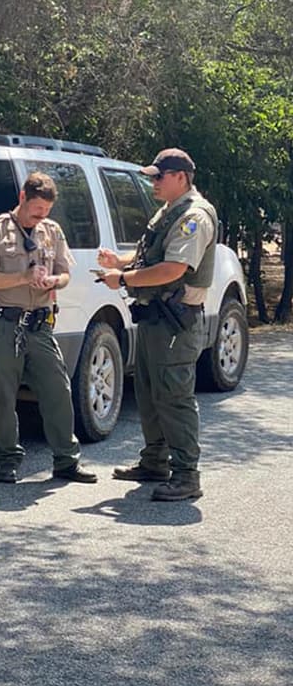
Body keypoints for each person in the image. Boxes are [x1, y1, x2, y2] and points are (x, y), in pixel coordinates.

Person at [96, 148, 216, 501]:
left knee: (174, 396)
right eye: (152, 177)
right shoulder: (171, 211)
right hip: (155, 318)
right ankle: (154, 461)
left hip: (174, 322)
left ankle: (186, 475)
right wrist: (120, 261)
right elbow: (154, 255)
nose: (153, 183)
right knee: (149, 392)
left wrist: (125, 278)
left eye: (158, 177)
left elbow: (173, 269)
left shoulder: (195, 216)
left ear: (181, 176)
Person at [0, 172, 97, 485]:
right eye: (37, 209)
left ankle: (66, 460)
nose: (41, 216)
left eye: (47, 211)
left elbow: (65, 274)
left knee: (58, 390)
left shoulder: (51, 231)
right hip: (4, 324)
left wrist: (54, 281)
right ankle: (9, 460)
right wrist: (23, 278)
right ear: (23, 197)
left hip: (40, 324)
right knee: (3, 395)